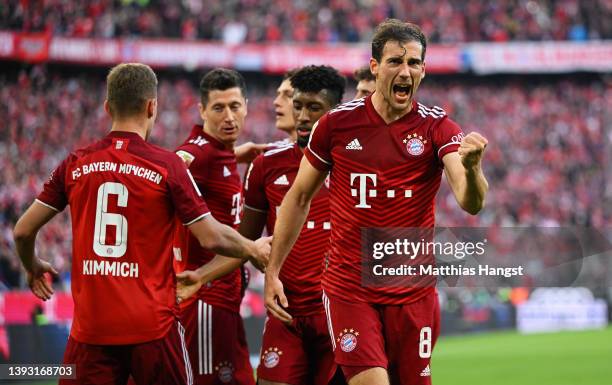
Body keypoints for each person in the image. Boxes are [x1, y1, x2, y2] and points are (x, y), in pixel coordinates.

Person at [12, 63, 271, 385]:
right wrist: (252, 247)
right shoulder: (167, 165)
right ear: (152, 106)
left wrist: (32, 263)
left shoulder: (75, 162)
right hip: (153, 326)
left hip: (91, 329)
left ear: (107, 107)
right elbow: (211, 237)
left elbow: (22, 230)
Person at [264, 19, 489, 385]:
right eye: (395, 62)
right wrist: (273, 271)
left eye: (414, 63)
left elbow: (470, 200)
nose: (406, 71)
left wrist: (473, 168)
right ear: (374, 67)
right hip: (349, 289)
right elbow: (299, 197)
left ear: (424, 70)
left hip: (412, 293)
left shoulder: (438, 128)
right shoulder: (336, 125)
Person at [247, 65, 345, 385]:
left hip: (340, 314)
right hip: (286, 314)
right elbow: (244, 240)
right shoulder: (266, 165)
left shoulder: (356, 165)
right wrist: (253, 252)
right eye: (297, 105)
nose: (302, 116)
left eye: (313, 108)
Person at [173, 68, 258, 385]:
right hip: (205, 299)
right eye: (218, 108)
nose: (229, 116)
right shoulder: (198, 153)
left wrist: (234, 155)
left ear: (246, 106)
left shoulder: (219, 152)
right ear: (202, 111)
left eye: (235, 106)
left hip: (225, 298)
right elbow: (176, 165)